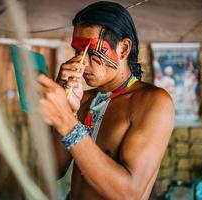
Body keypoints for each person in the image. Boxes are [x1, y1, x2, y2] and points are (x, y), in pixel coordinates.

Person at [37, 1, 174, 199]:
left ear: (124, 49)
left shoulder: (153, 102)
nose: (82, 63)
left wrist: (67, 121)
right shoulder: (83, 101)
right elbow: (51, 172)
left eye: (91, 52)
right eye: (78, 52)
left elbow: (130, 194)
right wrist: (66, 107)